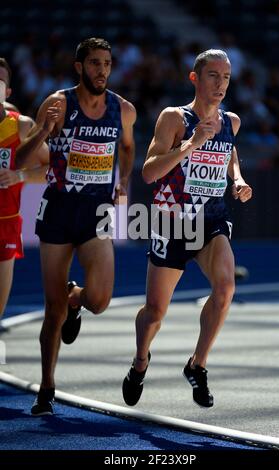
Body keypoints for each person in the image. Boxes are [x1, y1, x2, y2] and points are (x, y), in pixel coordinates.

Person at [122, 49, 252, 408]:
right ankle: (140, 361)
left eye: (226, 77)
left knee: (225, 288)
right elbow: (149, 172)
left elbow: (229, 154)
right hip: (171, 222)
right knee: (154, 313)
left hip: (211, 219)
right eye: (213, 75)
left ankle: (197, 365)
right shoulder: (174, 118)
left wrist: (237, 179)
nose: (220, 84)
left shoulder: (232, 121)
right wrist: (191, 143)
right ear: (195, 78)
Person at [15, 38, 136, 416]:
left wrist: (124, 179)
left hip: (96, 213)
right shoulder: (57, 104)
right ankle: (47, 389)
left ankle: (76, 298)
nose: (102, 70)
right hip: (58, 210)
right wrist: (42, 131)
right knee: (52, 312)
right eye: (95, 63)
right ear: (79, 67)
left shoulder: (123, 110)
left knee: (99, 300)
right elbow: (21, 158)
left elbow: (129, 147)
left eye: (107, 64)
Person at [0, 58, 49, 329]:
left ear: (7, 92)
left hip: (5, 223)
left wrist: (19, 175)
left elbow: (53, 167)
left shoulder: (20, 126)